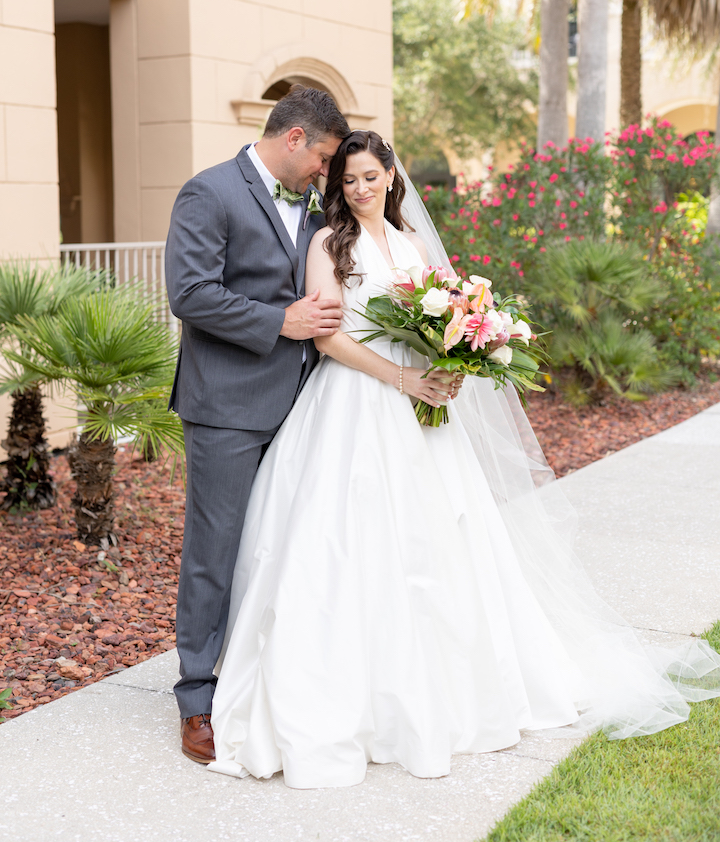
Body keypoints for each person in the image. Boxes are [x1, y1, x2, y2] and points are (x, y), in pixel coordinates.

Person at [207, 129, 720, 789]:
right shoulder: (327, 245)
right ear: (338, 187)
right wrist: (404, 381)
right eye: (350, 179)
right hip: (352, 406)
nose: (361, 188)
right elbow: (330, 340)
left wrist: (455, 359)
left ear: (392, 178)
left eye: (371, 176)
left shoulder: (415, 245)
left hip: (423, 411)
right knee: (345, 542)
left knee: (440, 543)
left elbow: (448, 315)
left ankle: (451, 688)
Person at [165, 84, 351, 764]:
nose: (325, 174)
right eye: (323, 158)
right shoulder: (208, 192)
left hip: (301, 405)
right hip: (226, 410)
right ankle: (195, 697)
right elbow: (190, 293)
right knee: (214, 554)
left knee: (276, 549)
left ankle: (258, 679)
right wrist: (281, 321)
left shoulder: (311, 207)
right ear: (295, 137)